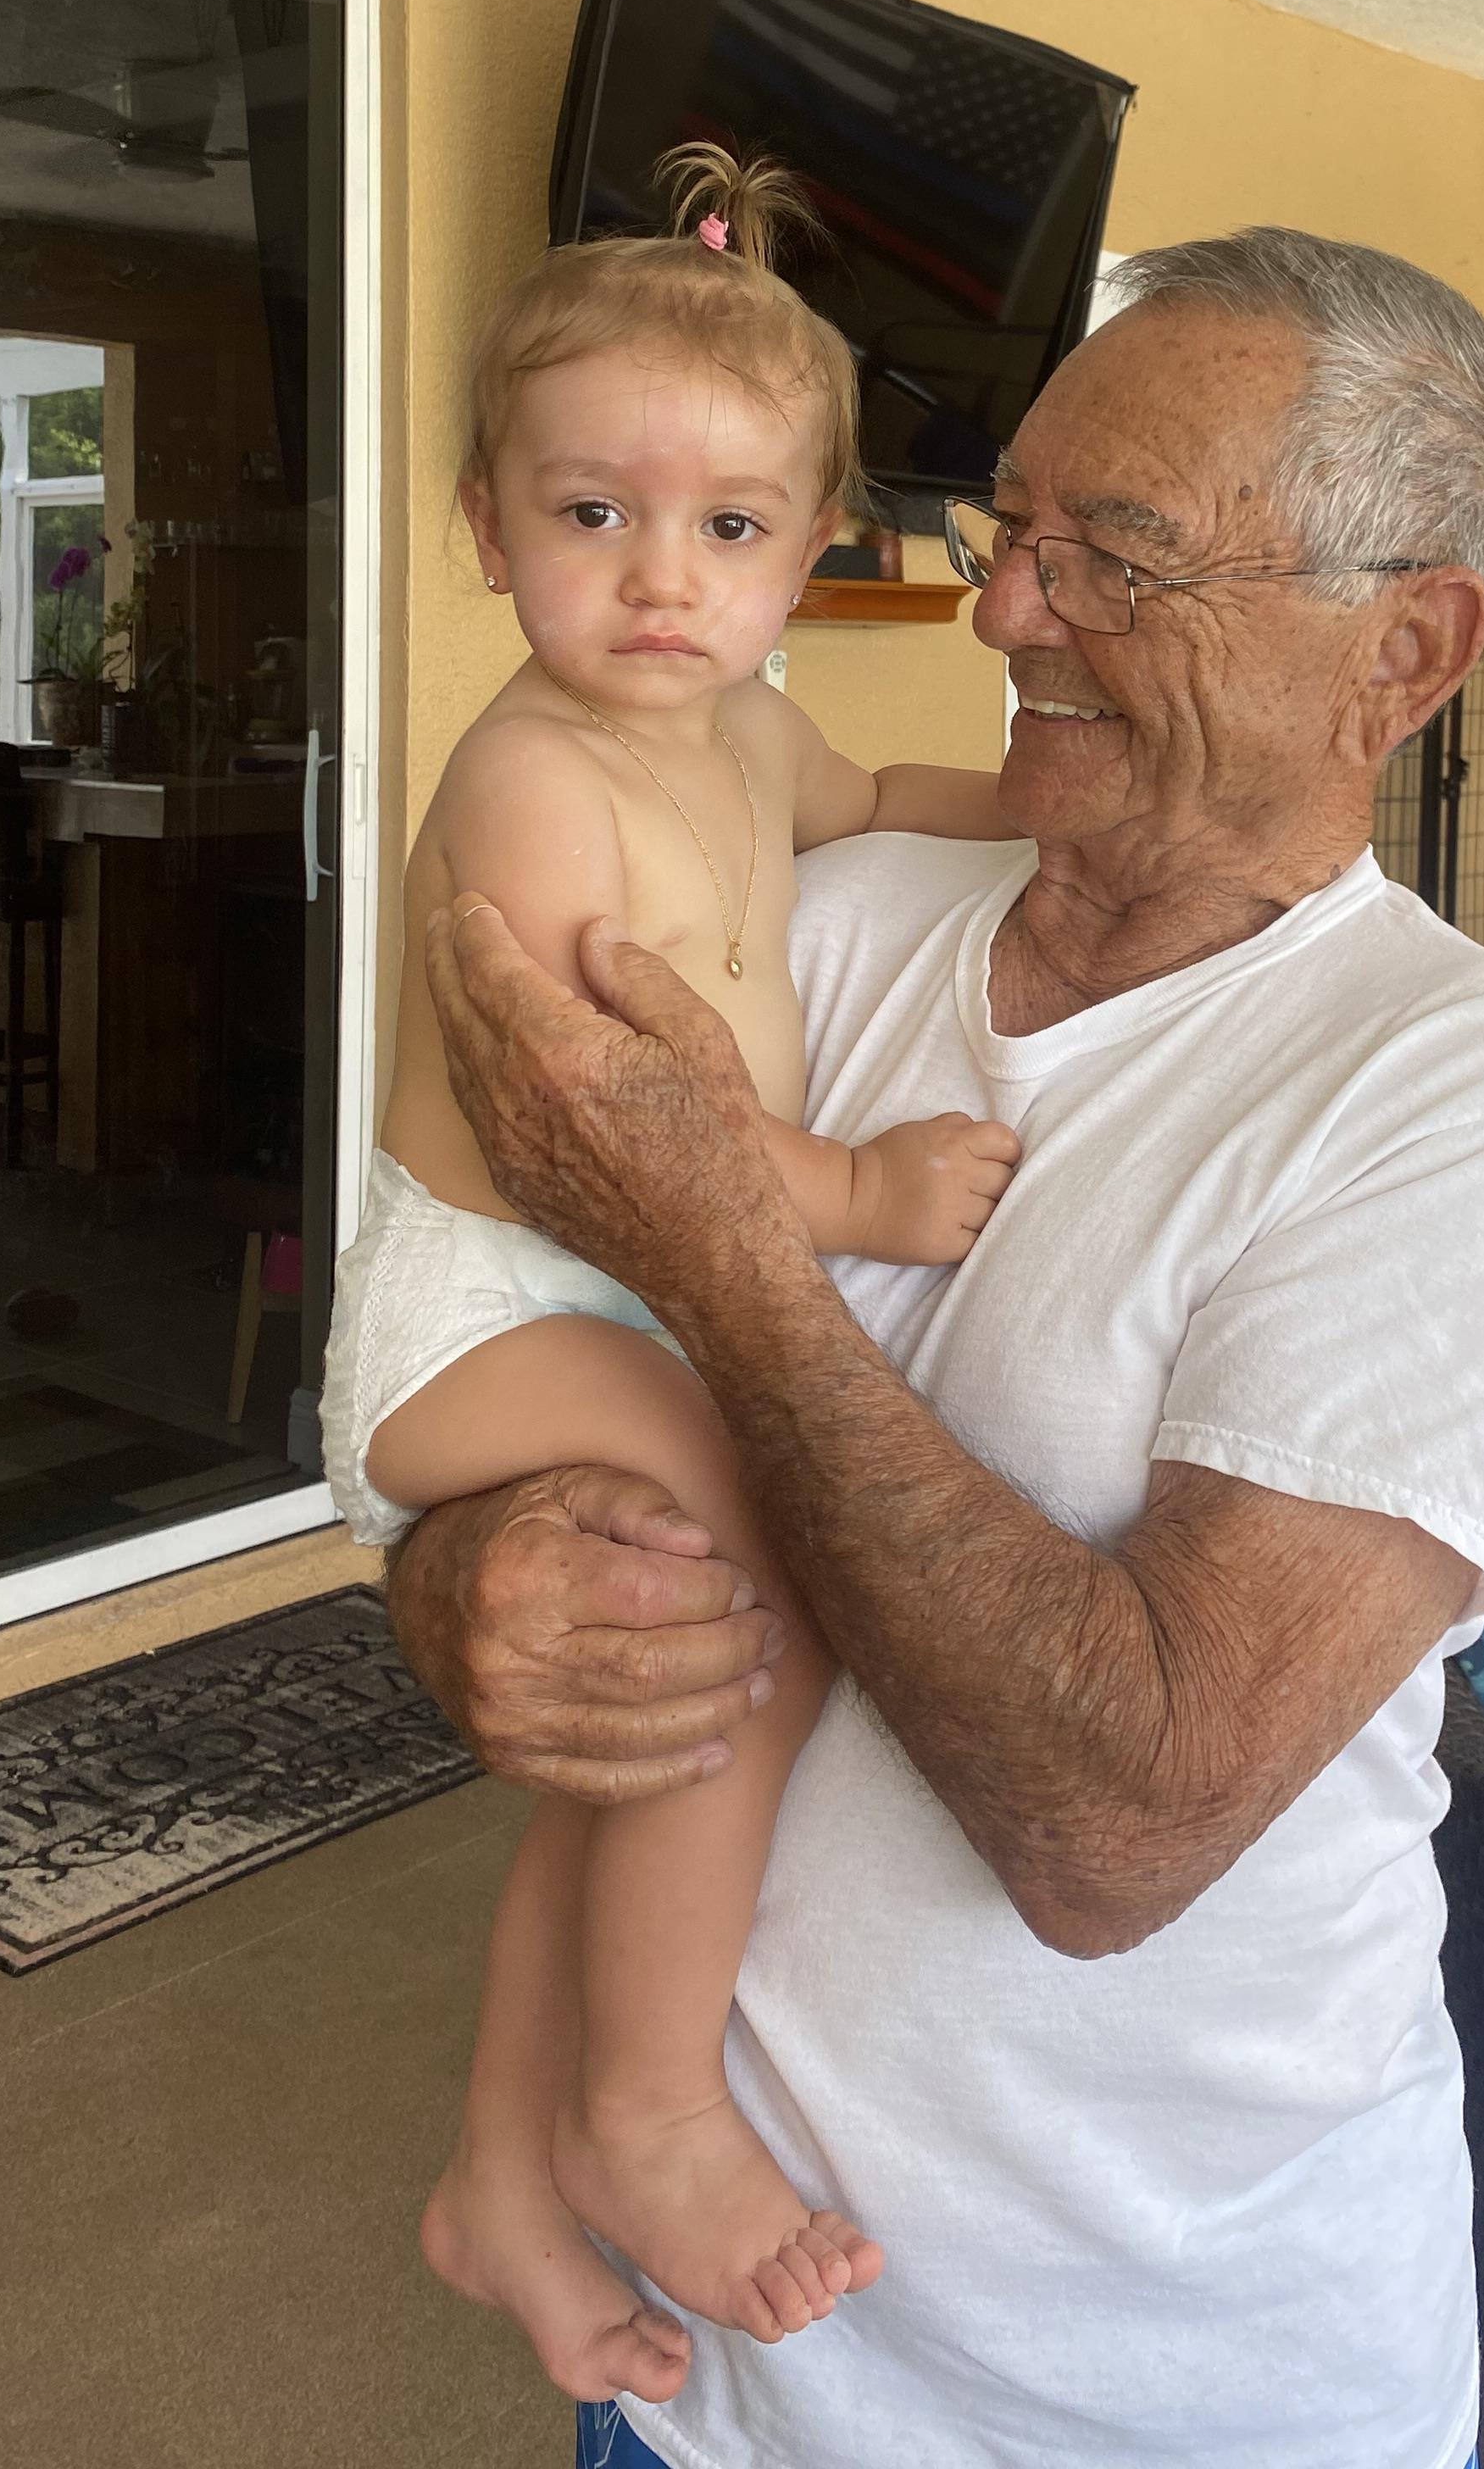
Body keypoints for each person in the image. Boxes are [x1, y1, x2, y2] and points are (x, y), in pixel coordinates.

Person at [391, 225, 1484, 2469]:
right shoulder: (812, 914)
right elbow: (511, 1355)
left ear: (1408, 647)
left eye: (1113, 559)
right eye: (1010, 536)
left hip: (1153, 2388)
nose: (999, 614)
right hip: (710, 2375)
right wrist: (470, 1589)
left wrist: (734, 1251)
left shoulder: (1462, 1093)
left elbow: (1120, 1825)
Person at [320, 149, 1020, 2405]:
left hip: (607, 1312)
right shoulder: (528, 776)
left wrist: (1052, 805)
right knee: (751, 1610)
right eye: (591, 514)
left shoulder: (742, 731)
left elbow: (889, 790)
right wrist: (858, 1196)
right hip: (487, 1309)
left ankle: (500, 2181)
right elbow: (591, 1135)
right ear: (483, 521)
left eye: (727, 529)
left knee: (637, 1720)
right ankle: (638, 2110)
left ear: (809, 554)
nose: (656, 578)